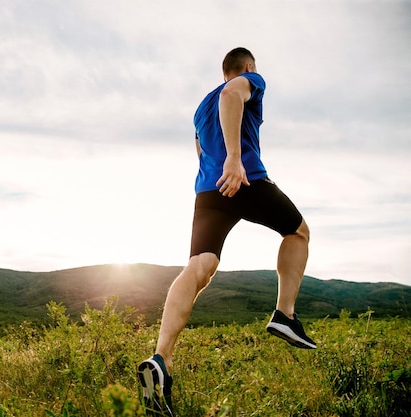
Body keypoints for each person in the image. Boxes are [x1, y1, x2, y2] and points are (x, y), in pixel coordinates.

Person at [137, 47, 317, 416]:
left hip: (208, 190)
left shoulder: (199, 108)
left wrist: (219, 168)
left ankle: (161, 360)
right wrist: (235, 159)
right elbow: (232, 95)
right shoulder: (247, 80)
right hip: (243, 178)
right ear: (247, 67)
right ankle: (284, 314)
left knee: (199, 267)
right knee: (298, 233)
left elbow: (200, 150)